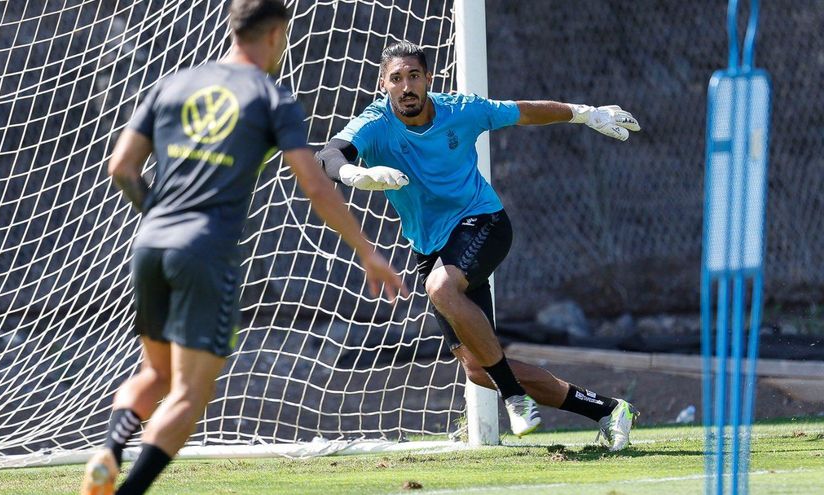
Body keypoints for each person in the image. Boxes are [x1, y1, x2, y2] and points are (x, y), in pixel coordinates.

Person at [80, 1, 405, 494]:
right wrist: (367, 250)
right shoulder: (272, 98)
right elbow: (316, 185)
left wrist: (161, 218)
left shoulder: (174, 83)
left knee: (155, 373)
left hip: (149, 244)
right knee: (191, 394)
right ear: (275, 35)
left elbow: (121, 167)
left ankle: (108, 450)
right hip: (206, 251)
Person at [317, 41, 641, 451]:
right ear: (384, 85)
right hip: (432, 247)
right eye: (396, 79)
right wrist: (354, 175)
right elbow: (329, 154)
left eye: (413, 76)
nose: (406, 87)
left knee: (441, 289)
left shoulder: (461, 109)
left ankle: (513, 395)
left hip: (483, 223)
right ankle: (608, 411)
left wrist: (584, 114)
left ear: (428, 80)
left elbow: (522, 111)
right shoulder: (375, 122)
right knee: (475, 368)